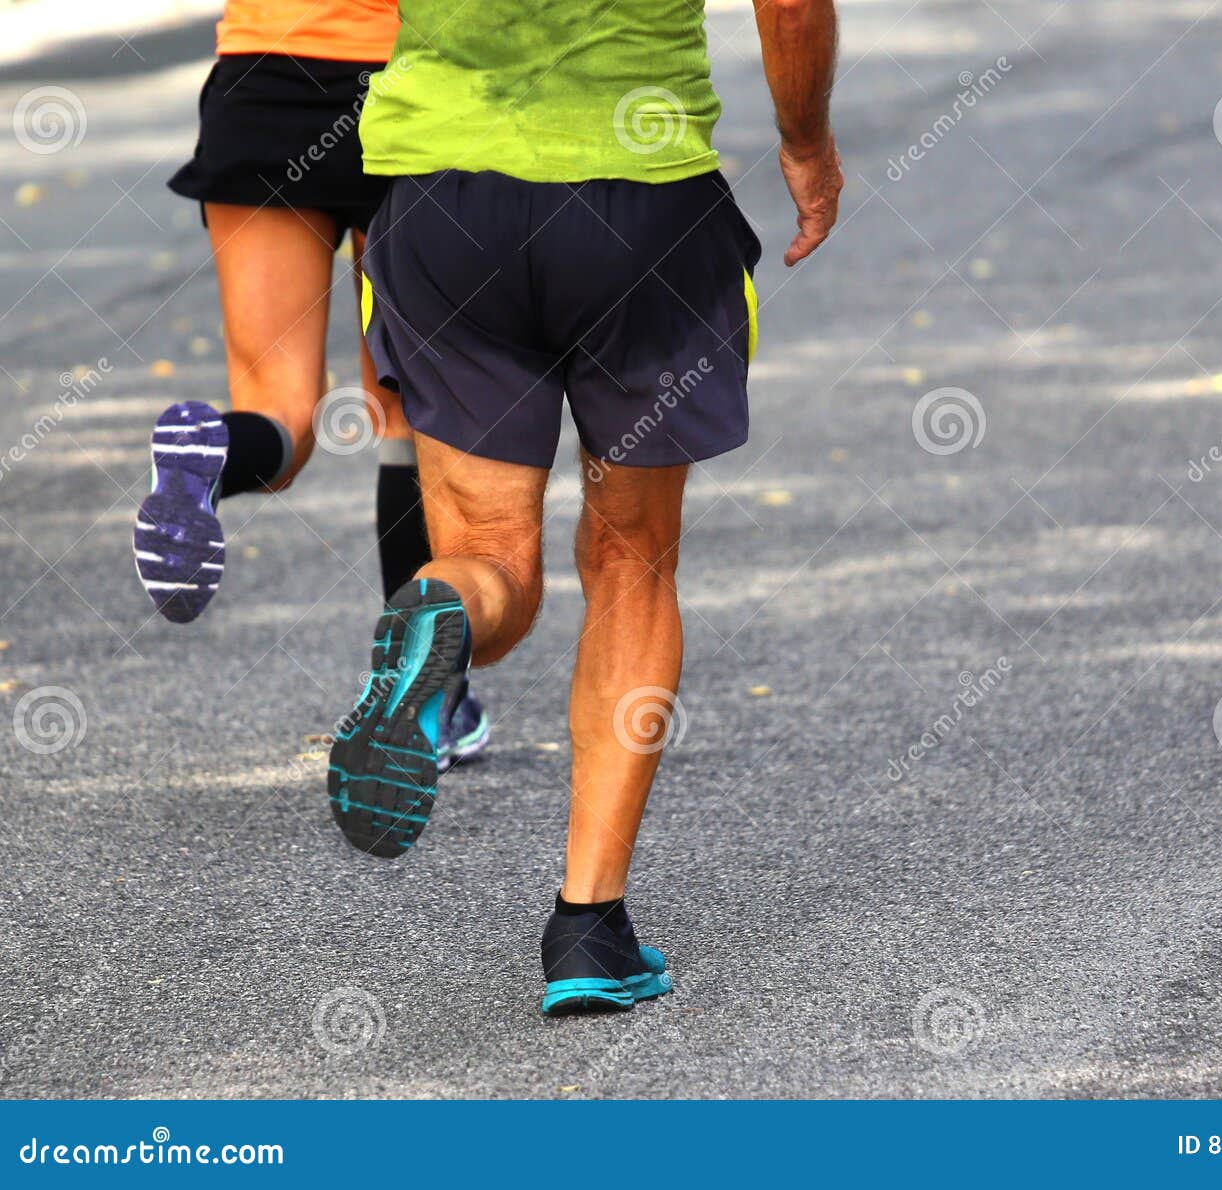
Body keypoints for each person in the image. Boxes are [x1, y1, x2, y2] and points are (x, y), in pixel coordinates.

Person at [329, 0, 843, 1016]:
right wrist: (805, 141)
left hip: (443, 195)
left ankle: (439, 613)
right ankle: (588, 927)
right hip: (642, 202)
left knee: (485, 557)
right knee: (630, 556)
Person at [134, 0, 489, 771]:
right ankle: (423, 700)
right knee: (412, 418)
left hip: (262, 79)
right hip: (414, 84)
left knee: (278, 408)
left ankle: (209, 460)